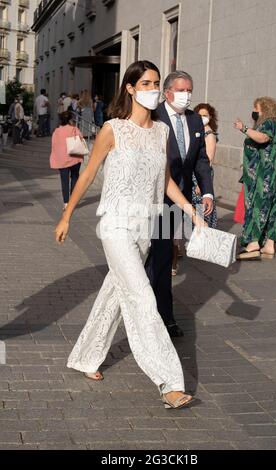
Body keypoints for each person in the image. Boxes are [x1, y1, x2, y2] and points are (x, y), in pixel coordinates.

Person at [54, 60, 205, 409]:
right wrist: (65, 216)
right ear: (131, 88)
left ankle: (85, 357)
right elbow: (89, 174)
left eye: (156, 83)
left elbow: (166, 181)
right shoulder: (113, 129)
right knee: (141, 297)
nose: (153, 89)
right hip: (115, 225)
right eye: (147, 83)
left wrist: (192, 210)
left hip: (145, 228)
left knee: (114, 293)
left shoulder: (161, 132)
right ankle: (169, 382)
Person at [145, 71, 214, 337]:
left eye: (190, 90)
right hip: (151, 200)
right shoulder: (153, 116)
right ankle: (154, 315)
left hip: (178, 201)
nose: (187, 95)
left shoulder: (196, 119)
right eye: (182, 90)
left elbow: (200, 161)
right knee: (154, 259)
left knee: (163, 258)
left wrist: (207, 193)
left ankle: (163, 316)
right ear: (167, 92)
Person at [234, 97, 276, 260]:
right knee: (273, 207)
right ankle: (269, 245)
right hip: (274, 172)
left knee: (258, 204)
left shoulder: (269, 123)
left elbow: (263, 138)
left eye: (256, 108)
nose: (254, 111)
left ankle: (253, 243)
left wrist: (244, 129)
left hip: (265, 173)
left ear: (265, 109)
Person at [50, 111, 84, 211]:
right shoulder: (74, 129)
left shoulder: (57, 131)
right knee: (74, 178)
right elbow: (81, 138)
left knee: (64, 181)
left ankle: (66, 203)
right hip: (74, 158)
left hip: (62, 160)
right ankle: (73, 201)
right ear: (70, 119)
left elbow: (54, 145)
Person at [192, 103, 218, 228]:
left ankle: (203, 232)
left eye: (205, 115)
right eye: (199, 115)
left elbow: (209, 159)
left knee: (201, 205)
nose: (202, 117)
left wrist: (200, 182)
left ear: (210, 117)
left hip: (201, 175)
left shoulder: (209, 134)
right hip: (194, 173)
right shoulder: (198, 131)